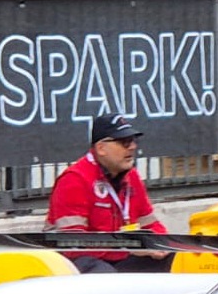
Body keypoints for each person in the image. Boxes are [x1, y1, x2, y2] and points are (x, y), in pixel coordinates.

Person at [45, 113, 173, 273]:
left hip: (120, 256)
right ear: (101, 148)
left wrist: (160, 244)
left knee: (175, 259)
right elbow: (73, 244)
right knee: (103, 273)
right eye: (124, 142)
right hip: (76, 262)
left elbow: (151, 224)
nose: (132, 147)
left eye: (133, 141)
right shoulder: (74, 179)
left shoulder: (131, 176)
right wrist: (130, 247)